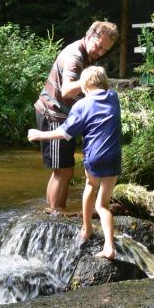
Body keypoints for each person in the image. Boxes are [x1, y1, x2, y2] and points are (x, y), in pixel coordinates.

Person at [28, 66, 121, 260]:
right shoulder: (114, 98)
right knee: (103, 205)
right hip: (113, 157)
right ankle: (109, 247)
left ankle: (86, 228)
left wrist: (39, 135)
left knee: (90, 186)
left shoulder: (82, 105)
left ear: (85, 86)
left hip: (94, 156)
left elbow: (65, 133)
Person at [34, 21, 118, 214]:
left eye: (105, 50)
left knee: (63, 169)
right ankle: (56, 213)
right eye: (98, 46)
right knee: (63, 170)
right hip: (53, 114)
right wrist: (91, 82)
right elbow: (67, 90)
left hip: (64, 115)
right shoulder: (75, 56)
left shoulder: (87, 54)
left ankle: (52, 210)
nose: (100, 52)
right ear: (89, 36)